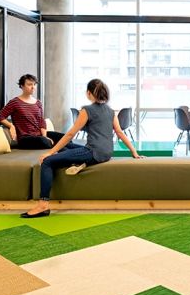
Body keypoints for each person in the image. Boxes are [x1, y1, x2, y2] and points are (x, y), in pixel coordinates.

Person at [21, 78, 142, 218]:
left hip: (92, 152)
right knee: (68, 146)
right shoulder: (110, 111)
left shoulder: (87, 110)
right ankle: (79, 162)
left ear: (89, 93)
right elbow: (120, 132)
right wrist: (134, 152)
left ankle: (43, 204)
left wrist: (50, 153)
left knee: (47, 162)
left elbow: (71, 134)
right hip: (107, 153)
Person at [0, 74, 64, 149]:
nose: (33, 87)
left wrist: (45, 136)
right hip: (25, 139)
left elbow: (41, 122)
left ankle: (71, 151)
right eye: (29, 84)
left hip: (39, 136)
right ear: (22, 86)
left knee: (64, 137)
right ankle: (64, 149)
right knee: (44, 141)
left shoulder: (38, 102)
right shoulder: (15, 102)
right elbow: (0, 116)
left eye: (34, 84)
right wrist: (11, 126)